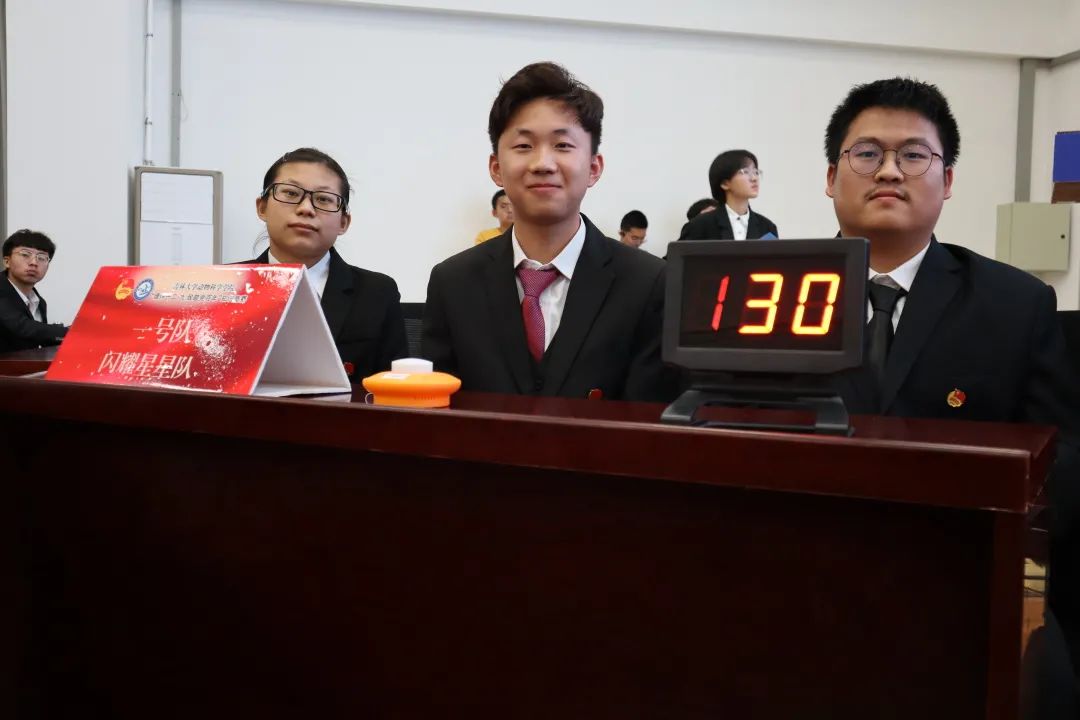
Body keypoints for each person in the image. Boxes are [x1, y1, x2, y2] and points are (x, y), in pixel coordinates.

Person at [824, 77, 1080, 704]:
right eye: (867, 153)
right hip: (804, 572)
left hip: (966, 581)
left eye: (914, 155)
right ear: (831, 177)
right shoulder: (773, 294)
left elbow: (1063, 461)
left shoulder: (1014, 305)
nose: (890, 171)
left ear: (948, 180)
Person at [422, 62, 674, 401]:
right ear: (496, 168)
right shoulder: (453, 283)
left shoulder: (649, 283)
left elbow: (651, 419)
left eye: (563, 145)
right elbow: (438, 412)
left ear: (594, 168)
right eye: (523, 146)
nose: (542, 163)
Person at [243, 147, 407, 380]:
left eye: (323, 199)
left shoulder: (377, 293)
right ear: (262, 207)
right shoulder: (226, 285)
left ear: (343, 222)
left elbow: (395, 388)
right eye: (290, 193)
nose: (305, 209)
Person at [678, 149, 778, 241]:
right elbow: (679, 255)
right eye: (745, 172)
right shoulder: (700, 225)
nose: (754, 178)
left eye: (756, 172)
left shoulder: (767, 227)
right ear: (725, 184)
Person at [0, 229, 68, 352]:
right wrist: (72, 332)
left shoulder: (39, 302)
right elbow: (22, 327)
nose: (34, 263)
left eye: (41, 257)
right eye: (25, 255)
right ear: (7, 261)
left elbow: (38, 338)